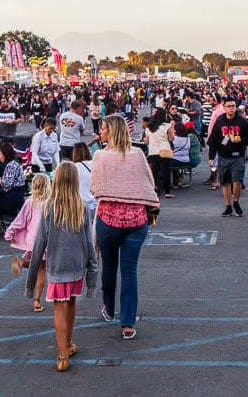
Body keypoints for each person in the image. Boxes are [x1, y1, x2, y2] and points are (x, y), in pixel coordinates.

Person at [90, 114, 159, 341]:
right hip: (136, 221)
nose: (100, 133)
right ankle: (127, 322)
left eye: (103, 129)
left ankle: (109, 309)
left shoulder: (100, 156)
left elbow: (95, 187)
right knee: (129, 270)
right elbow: (149, 182)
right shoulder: (138, 154)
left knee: (109, 266)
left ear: (111, 131)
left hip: (108, 220)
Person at [25, 161, 97, 372]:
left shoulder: (49, 207)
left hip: (57, 267)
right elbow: (89, 243)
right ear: (75, 180)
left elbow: (39, 245)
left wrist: (30, 285)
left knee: (59, 307)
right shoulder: (82, 206)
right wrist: (93, 276)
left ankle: (62, 355)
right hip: (77, 266)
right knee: (71, 302)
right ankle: (68, 343)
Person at [6, 173, 52, 312]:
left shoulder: (29, 202)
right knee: (41, 269)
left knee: (36, 264)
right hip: (46, 239)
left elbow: (20, 220)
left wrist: (10, 232)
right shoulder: (51, 203)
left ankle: (21, 263)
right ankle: (37, 300)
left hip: (32, 239)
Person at [206, 97, 248, 217]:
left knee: (237, 181)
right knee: (225, 183)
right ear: (224, 107)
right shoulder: (220, 121)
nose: (231, 108)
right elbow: (213, 140)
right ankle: (228, 206)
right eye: (229, 106)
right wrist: (211, 157)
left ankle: (236, 202)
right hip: (223, 156)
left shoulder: (242, 121)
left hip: (238, 156)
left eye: (233, 106)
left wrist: (240, 140)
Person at [146, 107, 175, 199]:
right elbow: (171, 138)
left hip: (153, 151)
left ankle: (153, 190)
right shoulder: (166, 126)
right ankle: (167, 192)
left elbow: (147, 140)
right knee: (165, 171)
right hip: (164, 150)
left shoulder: (149, 127)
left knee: (154, 171)